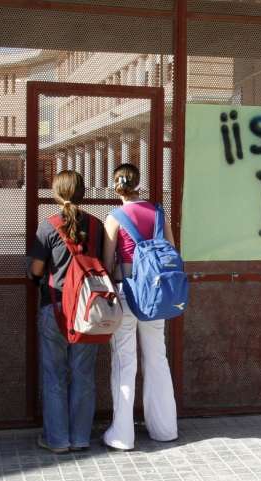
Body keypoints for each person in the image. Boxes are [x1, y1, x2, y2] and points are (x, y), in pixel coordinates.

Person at [102, 163, 178, 450]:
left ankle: (122, 435)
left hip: (127, 293)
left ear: (116, 186)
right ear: (138, 184)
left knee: (125, 361)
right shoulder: (159, 212)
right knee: (158, 358)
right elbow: (171, 251)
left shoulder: (115, 217)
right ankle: (165, 428)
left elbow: (108, 263)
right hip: (156, 296)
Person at [28, 170, 103, 453]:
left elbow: (36, 269)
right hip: (89, 311)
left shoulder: (48, 227)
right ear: (83, 192)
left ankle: (57, 440)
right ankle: (81, 438)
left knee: (54, 375)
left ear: (57, 193)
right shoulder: (96, 226)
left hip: (55, 308)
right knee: (83, 375)